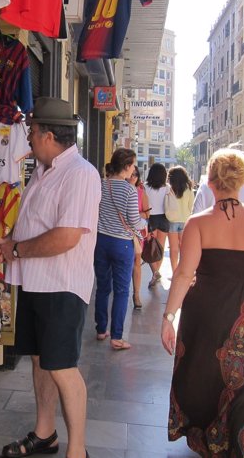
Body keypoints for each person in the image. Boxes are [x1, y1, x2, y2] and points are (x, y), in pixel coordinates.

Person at [0, 97, 100, 458]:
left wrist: (15, 250)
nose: (28, 138)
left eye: (32, 131)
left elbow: (66, 237)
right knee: (40, 360)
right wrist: (8, 244)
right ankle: (45, 433)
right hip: (34, 282)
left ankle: (77, 450)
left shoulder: (80, 174)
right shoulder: (42, 170)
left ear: (48, 135)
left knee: (63, 366)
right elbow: (33, 225)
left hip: (61, 285)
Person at [160, 148, 244, 456]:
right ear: (242, 181)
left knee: (203, 378)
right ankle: (242, 445)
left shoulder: (198, 223)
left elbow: (183, 274)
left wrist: (168, 317)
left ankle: (209, 441)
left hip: (207, 314)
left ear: (211, 184)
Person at [94, 148, 147, 350]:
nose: (134, 168)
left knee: (103, 287)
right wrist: (144, 223)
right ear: (126, 166)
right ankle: (116, 336)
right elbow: (134, 221)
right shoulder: (129, 191)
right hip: (122, 243)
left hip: (101, 241)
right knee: (122, 290)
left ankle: (101, 329)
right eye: (133, 164)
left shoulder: (101, 184)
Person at [164, 166, 194, 273]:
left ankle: (174, 272)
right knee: (183, 247)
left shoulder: (170, 188)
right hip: (185, 220)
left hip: (172, 220)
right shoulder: (189, 188)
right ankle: (183, 271)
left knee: (173, 248)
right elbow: (191, 206)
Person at [127, 165, 149, 309]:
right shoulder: (121, 190)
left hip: (136, 234)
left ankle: (136, 295)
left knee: (136, 263)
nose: (133, 176)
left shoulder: (141, 192)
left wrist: (137, 214)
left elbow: (147, 214)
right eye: (131, 173)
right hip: (121, 232)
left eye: (136, 174)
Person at [144, 163, 169, 287]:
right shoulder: (167, 188)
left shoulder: (145, 187)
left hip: (150, 218)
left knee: (150, 249)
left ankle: (155, 272)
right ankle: (156, 273)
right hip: (164, 218)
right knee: (160, 249)